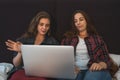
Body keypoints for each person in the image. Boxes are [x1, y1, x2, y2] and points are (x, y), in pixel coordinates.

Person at [6, 11, 59, 80]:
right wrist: (20, 52)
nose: (44, 28)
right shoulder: (24, 40)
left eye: (47, 25)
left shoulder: (53, 42)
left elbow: (55, 66)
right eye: (41, 24)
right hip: (23, 71)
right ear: (36, 25)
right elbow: (16, 64)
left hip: (42, 74)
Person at [61, 10, 112, 80]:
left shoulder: (97, 39)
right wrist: (70, 67)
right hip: (76, 70)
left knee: (90, 77)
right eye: (75, 21)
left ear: (86, 21)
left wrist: (100, 64)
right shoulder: (67, 39)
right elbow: (62, 58)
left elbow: (107, 59)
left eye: (81, 19)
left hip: (92, 70)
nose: (78, 23)